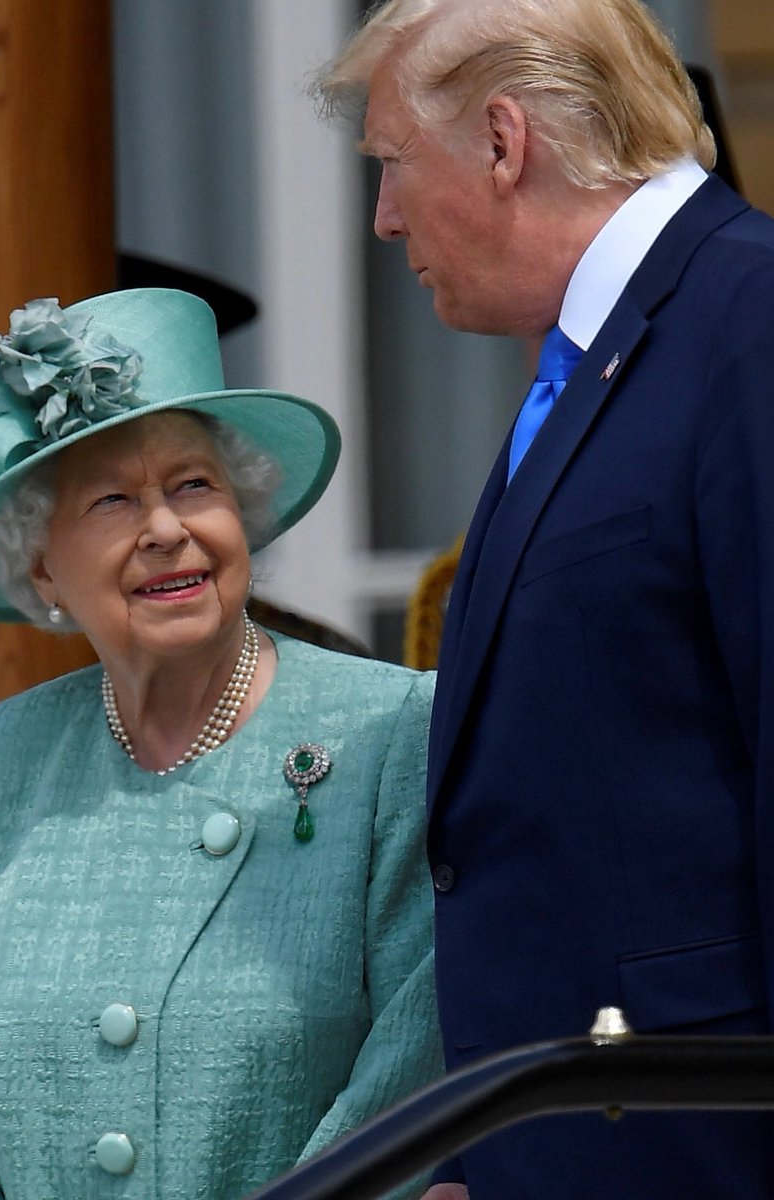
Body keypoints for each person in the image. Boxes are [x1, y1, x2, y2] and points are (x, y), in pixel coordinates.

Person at [316, 1, 774, 1197]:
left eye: (393, 164)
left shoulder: (747, 320)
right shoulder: (613, 353)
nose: (384, 217)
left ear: (505, 141)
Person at [0, 288, 442, 1198]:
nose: (168, 529)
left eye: (194, 484)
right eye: (112, 500)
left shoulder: (387, 733)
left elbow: (411, 1083)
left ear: (242, 515)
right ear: (43, 565)